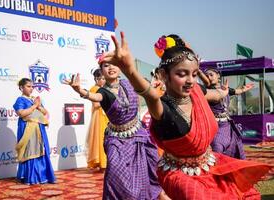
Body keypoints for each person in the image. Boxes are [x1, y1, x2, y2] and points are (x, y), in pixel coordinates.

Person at [99, 32, 272, 199]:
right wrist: (129, 70)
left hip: (210, 166)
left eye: (194, 74)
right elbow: (149, 94)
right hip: (180, 176)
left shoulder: (196, 91)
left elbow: (216, 94)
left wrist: (225, 91)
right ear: (163, 75)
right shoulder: (163, 108)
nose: (190, 80)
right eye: (182, 74)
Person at [63, 65, 167, 199]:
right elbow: (95, 97)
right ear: (102, 71)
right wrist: (80, 91)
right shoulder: (103, 91)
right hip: (116, 140)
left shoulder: (128, 83)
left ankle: (157, 196)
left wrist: (157, 84)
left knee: (151, 168)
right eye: (106, 66)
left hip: (138, 136)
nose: (111, 68)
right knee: (115, 173)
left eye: (113, 64)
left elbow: (146, 88)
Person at [198, 68, 254, 159]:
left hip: (227, 125)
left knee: (237, 149)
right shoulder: (208, 90)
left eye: (211, 75)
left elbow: (236, 91)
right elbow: (206, 82)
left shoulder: (225, 89)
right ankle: (216, 170)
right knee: (217, 148)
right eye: (206, 75)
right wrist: (199, 72)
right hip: (214, 126)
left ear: (218, 76)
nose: (208, 77)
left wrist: (243, 89)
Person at [13, 78, 55, 185]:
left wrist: (39, 106)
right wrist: (35, 106)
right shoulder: (20, 100)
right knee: (31, 151)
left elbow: (45, 112)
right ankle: (31, 177)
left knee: (41, 150)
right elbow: (21, 113)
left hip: (39, 128)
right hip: (28, 129)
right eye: (28, 86)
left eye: (32, 86)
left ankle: (42, 176)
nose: (31, 89)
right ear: (21, 88)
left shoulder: (34, 99)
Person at [86, 68, 109, 170]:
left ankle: (106, 162)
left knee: (107, 138)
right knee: (100, 138)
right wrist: (106, 101)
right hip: (98, 116)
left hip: (106, 116)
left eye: (104, 78)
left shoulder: (106, 89)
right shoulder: (94, 89)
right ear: (96, 79)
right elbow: (96, 105)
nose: (103, 80)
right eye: (101, 78)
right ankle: (102, 163)